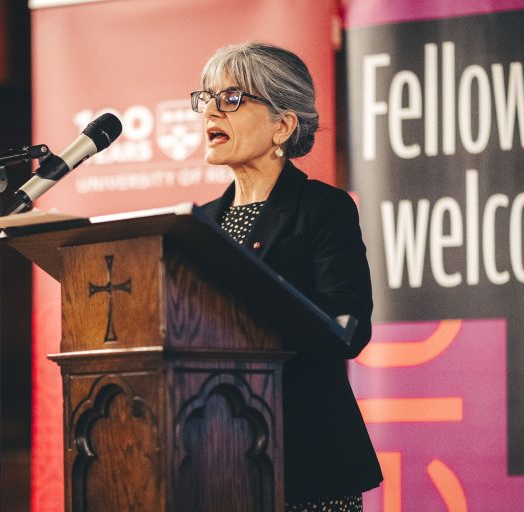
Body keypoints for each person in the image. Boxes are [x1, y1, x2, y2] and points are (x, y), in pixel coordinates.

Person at [192, 42, 382, 511]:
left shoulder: (322, 208)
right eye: (207, 97)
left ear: (283, 124)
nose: (211, 111)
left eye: (232, 98)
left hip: (304, 456)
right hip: (210, 458)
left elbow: (348, 326)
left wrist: (258, 291)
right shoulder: (197, 225)